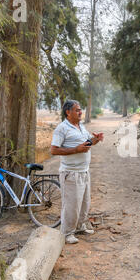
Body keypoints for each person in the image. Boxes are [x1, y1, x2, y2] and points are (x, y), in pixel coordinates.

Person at [51, 100, 104, 244]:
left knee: (84, 203)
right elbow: (54, 150)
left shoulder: (81, 126)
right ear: (68, 112)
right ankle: (67, 233)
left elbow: (87, 143)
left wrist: (96, 139)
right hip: (71, 173)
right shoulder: (62, 128)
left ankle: (80, 226)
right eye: (77, 110)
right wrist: (76, 150)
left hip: (84, 171)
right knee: (71, 205)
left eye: (81, 110)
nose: (80, 112)